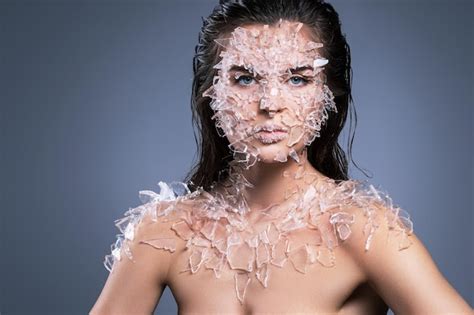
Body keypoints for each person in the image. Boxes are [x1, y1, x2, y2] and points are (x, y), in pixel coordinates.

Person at [90, 0, 472, 314]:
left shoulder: (365, 230)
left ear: (328, 94)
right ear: (211, 94)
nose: (270, 104)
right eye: (244, 78)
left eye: (297, 79)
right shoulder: (163, 232)